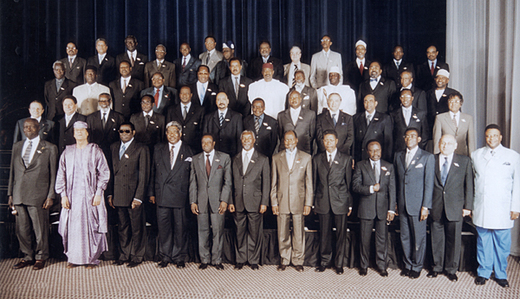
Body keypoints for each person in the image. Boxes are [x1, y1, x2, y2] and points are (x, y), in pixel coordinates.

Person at [56, 121, 110, 268]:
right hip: (72, 196)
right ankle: (73, 258)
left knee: (91, 225)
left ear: (87, 133)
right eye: (76, 130)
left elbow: (104, 173)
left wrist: (99, 192)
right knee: (72, 226)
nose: (79, 133)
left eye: (82, 130)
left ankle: (91, 259)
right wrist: (63, 195)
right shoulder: (67, 151)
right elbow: (61, 174)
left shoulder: (95, 150)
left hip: (91, 195)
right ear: (73, 133)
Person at [472, 124, 520, 288]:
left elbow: (518, 184)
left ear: (500, 137)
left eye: (494, 135)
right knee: (483, 241)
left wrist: (516, 207)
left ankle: (500, 274)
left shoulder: (512, 156)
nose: (491, 139)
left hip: (502, 207)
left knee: (502, 243)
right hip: (482, 206)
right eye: (488, 136)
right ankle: (483, 272)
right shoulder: (476, 155)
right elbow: (471, 182)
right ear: (485, 137)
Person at [8, 118, 58, 270]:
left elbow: (54, 174)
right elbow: (12, 172)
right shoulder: (17, 146)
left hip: (39, 195)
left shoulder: (49, 147)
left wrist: (51, 196)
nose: (28, 129)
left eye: (31, 126)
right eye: (25, 126)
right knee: (21, 228)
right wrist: (10, 193)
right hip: (19, 193)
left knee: (39, 229)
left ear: (39, 127)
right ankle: (27, 256)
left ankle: (41, 257)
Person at [428, 134, 473, 282]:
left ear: (455, 146)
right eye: (443, 143)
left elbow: (469, 186)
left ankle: (451, 269)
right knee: (436, 239)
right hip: (436, 206)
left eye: (449, 143)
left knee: (454, 240)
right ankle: (436, 267)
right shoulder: (431, 159)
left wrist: (468, 206)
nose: (445, 146)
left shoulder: (464, 161)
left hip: (455, 207)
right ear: (439, 145)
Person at [150, 121, 194, 269]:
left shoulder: (189, 150)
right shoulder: (158, 149)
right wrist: (151, 193)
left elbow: (192, 176)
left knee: (180, 228)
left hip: (180, 196)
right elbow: (152, 173)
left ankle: (179, 257)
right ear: (166, 134)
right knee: (164, 228)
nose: (172, 135)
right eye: (169, 132)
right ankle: (165, 256)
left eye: (175, 132)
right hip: (162, 195)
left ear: (180, 134)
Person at [394, 127, 434, 279]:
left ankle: (417, 266)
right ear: (404, 139)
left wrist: (426, 206)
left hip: (418, 205)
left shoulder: (427, 157)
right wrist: (396, 203)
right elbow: (397, 181)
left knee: (418, 237)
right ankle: (407, 264)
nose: (409, 138)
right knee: (405, 236)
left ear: (418, 139)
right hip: (403, 204)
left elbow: (429, 183)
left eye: (413, 136)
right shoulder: (398, 155)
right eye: (407, 136)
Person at [108, 122, 149, 268]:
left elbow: (144, 174)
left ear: (133, 132)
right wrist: (110, 194)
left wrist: (138, 197)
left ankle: (137, 256)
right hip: (119, 194)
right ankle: (124, 255)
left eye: (127, 131)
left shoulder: (141, 148)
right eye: (121, 131)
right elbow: (112, 173)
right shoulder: (113, 147)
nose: (124, 134)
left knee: (136, 228)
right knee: (122, 227)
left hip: (133, 195)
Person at [270, 130, 313, 272]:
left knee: (298, 232)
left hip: (299, 201)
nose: (288, 142)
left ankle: (298, 260)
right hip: (282, 200)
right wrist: (274, 202)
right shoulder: (276, 158)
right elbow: (274, 183)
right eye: (286, 140)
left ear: (296, 140)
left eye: (291, 139)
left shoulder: (306, 158)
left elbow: (309, 183)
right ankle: (284, 259)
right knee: (282, 231)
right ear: (283, 141)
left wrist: (308, 203)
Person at [352, 140, 396, 277]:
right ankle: (363, 265)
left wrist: (391, 209)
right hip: (366, 208)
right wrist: (370, 189)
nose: (375, 153)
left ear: (381, 150)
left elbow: (392, 189)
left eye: (378, 150)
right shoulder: (360, 165)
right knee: (364, 239)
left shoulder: (389, 166)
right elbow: (355, 186)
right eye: (372, 150)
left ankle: (381, 265)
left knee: (382, 239)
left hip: (383, 209)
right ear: (367, 151)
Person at [190, 134, 232, 270]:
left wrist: (224, 200)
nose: (206, 144)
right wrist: (193, 201)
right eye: (203, 142)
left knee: (218, 231)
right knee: (202, 230)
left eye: (208, 142)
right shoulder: (195, 159)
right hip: (201, 200)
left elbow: (228, 182)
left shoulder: (224, 158)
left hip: (218, 201)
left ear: (213, 143)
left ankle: (217, 260)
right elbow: (193, 183)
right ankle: (204, 259)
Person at [229, 130, 270, 270]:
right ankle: (240, 258)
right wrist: (230, 202)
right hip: (238, 201)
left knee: (254, 232)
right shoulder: (235, 158)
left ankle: (253, 259)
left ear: (254, 140)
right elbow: (230, 182)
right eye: (244, 139)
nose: (246, 141)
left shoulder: (263, 159)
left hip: (255, 202)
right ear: (241, 141)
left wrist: (264, 202)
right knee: (239, 231)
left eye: (249, 138)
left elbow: (266, 183)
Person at [313, 130, 352, 275]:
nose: (328, 143)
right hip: (323, 201)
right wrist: (313, 202)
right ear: (323, 142)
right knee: (324, 234)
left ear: (336, 141)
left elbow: (348, 184)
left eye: (331, 140)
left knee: (340, 235)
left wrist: (349, 203)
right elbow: (315, 182)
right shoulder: (317, 159)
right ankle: (324, 261)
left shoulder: (346, 159)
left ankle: (339, 264)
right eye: (325, 140)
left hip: (340, 202)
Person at [432, 92, 475, 156]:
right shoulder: (440, 118)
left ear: (460, 104)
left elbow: (471, 141)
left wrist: (472, 157)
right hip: (446, 154)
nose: (453, 104)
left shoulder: (468, 118)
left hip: (462, 154)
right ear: (448, 103)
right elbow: (437, 139)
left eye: (456, 101)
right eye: (451, 101)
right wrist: (436, 156)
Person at [353, 95, 393, 162]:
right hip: (360, 157)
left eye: (371, 101)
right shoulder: (356, 118)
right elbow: (354, 140)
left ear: (376, 103)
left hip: (377, 157)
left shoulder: (384, 118)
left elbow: (388, 142)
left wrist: (386, 159)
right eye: (366, 101)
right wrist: (353, 157)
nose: (368, 104)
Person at [165, 86, 205, 154]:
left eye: (187, 93)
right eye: (182, 93)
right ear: (179, 95)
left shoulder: (200, 110)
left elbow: (201, 130)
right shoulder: (171, 110)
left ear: (191, 95)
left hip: (194, 147)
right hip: (175, 146)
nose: (184, 95)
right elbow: (168, 129)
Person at [202, 92, 243, 158]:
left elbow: (239, 139)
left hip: (231, 155)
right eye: (218, 99)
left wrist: (238, 157)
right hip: (213, 155)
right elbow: (205, 138)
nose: (221, 102)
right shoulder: (208, 117)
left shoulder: (237, 117)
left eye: (223, 99)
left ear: (228, 101)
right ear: (216, 102)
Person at [389, 89, 429, 154]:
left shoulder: (420, 114)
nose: (405, 99)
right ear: (400, 98)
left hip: (416, 149)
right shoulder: (393, 114)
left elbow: (425, 134)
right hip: (399, 149)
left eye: (407, 97)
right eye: (402, 97)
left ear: (412, 98)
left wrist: (421, 147)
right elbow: (391, 134)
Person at [86, 93, 125, 157]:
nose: (103, 103)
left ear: (110, 101)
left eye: (106, 101)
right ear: (98, 102)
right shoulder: (91, 118)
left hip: (113, 152)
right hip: (95, 152)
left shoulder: (119, 117)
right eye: (101, 101)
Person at [277, 90, 316, 155]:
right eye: (291, 98)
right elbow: (280, 134)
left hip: (304, 149)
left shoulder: (310, 114)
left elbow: (312, 134)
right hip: (286, 150)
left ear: (300, 99)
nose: (294, 100)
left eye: (296, 98)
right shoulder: (281, 115)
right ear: (289, 100)